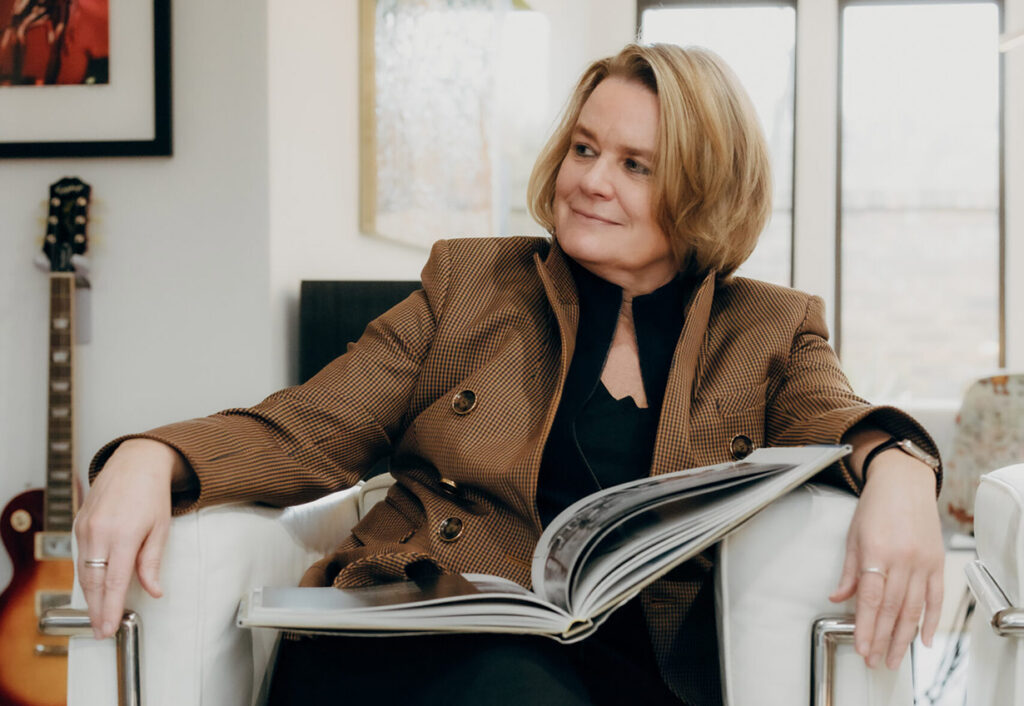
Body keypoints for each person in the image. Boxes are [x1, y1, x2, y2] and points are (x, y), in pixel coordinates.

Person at [76, 44, 944, 705]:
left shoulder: (767, 326)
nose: (591, 182)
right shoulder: (471, 284)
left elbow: (839, 414)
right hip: (418, 638)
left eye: (635, 166)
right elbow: (314, 425)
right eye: (583, 149)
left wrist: (902, 470)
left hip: (628, 673)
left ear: (705, 188)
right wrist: (155, 456)